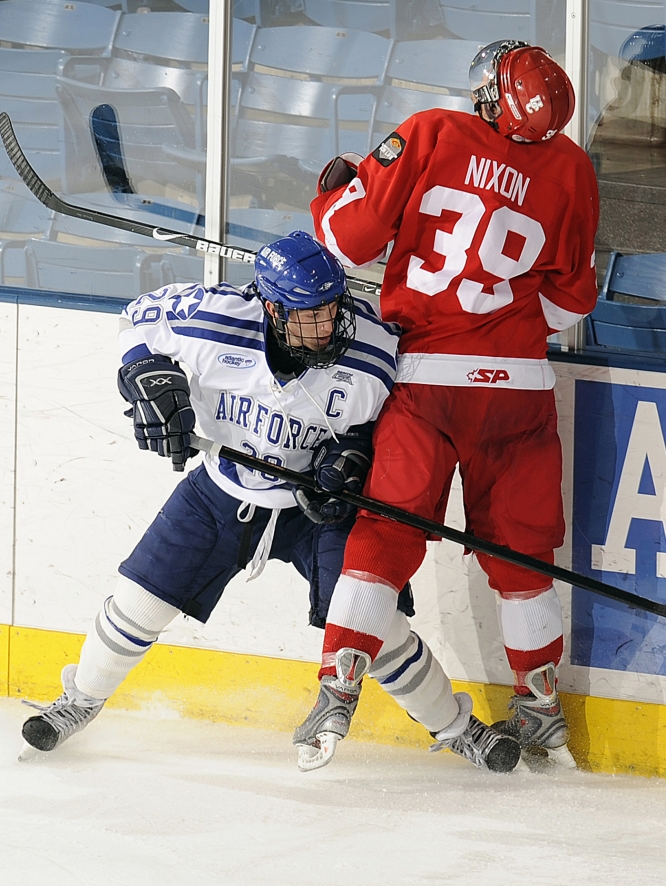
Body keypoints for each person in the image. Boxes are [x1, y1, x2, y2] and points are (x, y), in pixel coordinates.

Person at [20, 231, 520, 774]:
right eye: (311, 316)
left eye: (333, 309)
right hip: (221, 491)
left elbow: (395, 429)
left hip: (318, 515)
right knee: (138, 603)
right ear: (273, 308)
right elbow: (137, 316)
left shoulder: (375, 349)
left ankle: (457, 728)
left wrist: (352, 461)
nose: (328, 326)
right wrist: (144, 373)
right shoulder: (214, 319)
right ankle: (79, 702)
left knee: (376, 626)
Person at [298, 40, 600, 769]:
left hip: (427, 380)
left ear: (493, 98)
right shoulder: (572, 168)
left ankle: (339, 687)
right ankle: (541, 704)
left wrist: (334, 188)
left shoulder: (432, 131)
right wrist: (504, 326)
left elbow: (345, 239)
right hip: (520, 390)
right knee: (524, 555)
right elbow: (566, 300)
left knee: (383, 536)